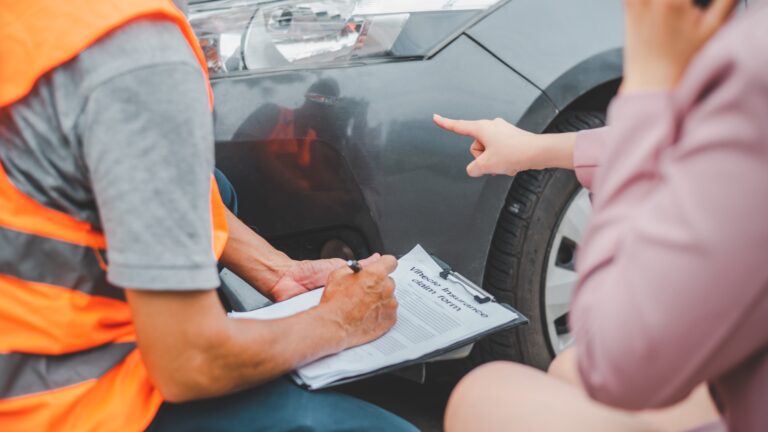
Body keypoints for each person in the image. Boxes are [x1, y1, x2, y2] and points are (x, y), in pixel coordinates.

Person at [0, 1, 417, 431]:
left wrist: (278, 272)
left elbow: (159, 185)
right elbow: (189, 360)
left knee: (219, 184)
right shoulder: (136, 50)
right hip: (54, 405)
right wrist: (338, 320)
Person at [434, 0, 768, 430]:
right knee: (564, 368)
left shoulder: (752, 65)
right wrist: (532, 150)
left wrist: (651, 82)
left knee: (484, 396)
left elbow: (615, 359)